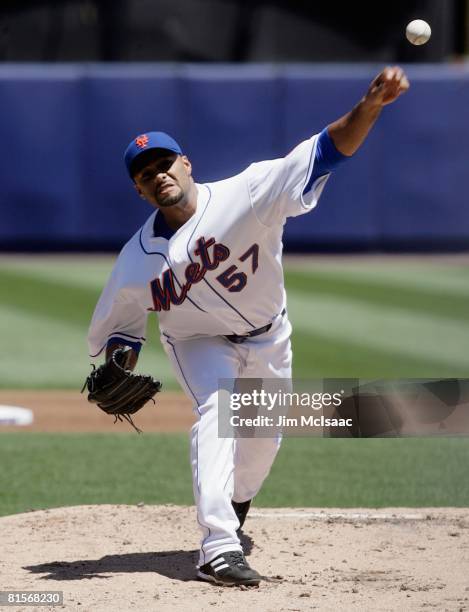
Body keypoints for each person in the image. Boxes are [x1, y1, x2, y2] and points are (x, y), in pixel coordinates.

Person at [87, 66, 409, 587]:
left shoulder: (250, 191)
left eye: (164, 162)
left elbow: (325, 150)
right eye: (146, 174)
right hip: (196, 342)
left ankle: (235, 505)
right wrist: (120, 361)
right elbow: (123, 327)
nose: (158, 174)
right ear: (140, 191)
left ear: (186, 164)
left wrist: (369, 106)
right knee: (218, 411)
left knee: (261, 441)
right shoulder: (134, 261)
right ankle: (217, 545)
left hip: (269, 333)